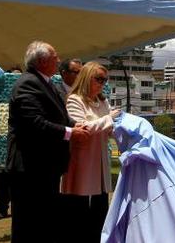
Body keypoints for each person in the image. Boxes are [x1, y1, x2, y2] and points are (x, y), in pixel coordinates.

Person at [6, 40, 89, 243]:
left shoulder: (46, 82)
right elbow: (35, 123)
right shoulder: (28, 83)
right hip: (30, 167)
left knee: (43, 221)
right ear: (42, 61)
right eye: (55, 58)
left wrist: (74, 124)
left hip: (45, 166)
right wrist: (70, 132)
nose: (58, 61)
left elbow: (58, 115)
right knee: (28, 222)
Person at [61, 61, 120, 242]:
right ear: (86, 78)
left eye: (105, 80)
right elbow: (83, 128)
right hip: (83, 164)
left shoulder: (102, 101)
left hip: (101, 163)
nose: (102, 83)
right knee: (79, 216)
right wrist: (108, 119)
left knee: (99, 212)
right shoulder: (74, 100)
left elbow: (109, 129)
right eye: (99, 79)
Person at [0, 67, 22, 221]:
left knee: (18, 182)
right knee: (2, 180)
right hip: (2, 146)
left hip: (19, 148)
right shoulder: (2, 96)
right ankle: (2, 208)